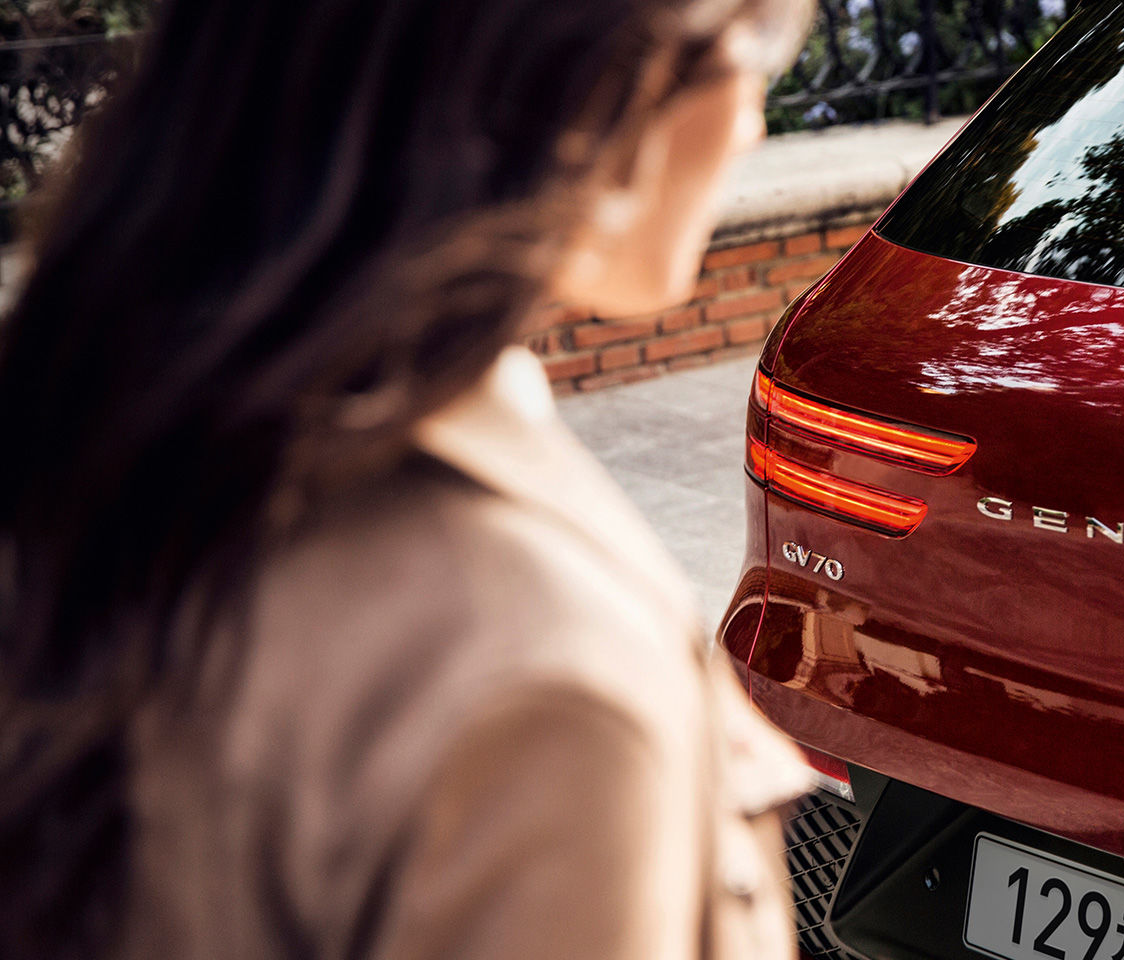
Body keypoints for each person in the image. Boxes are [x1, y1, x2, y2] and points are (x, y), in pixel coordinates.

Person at [0, 0, 816, 957]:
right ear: (596, 74)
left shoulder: (100, 421)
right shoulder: (548, 680)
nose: (755, 121)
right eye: (758, 39)